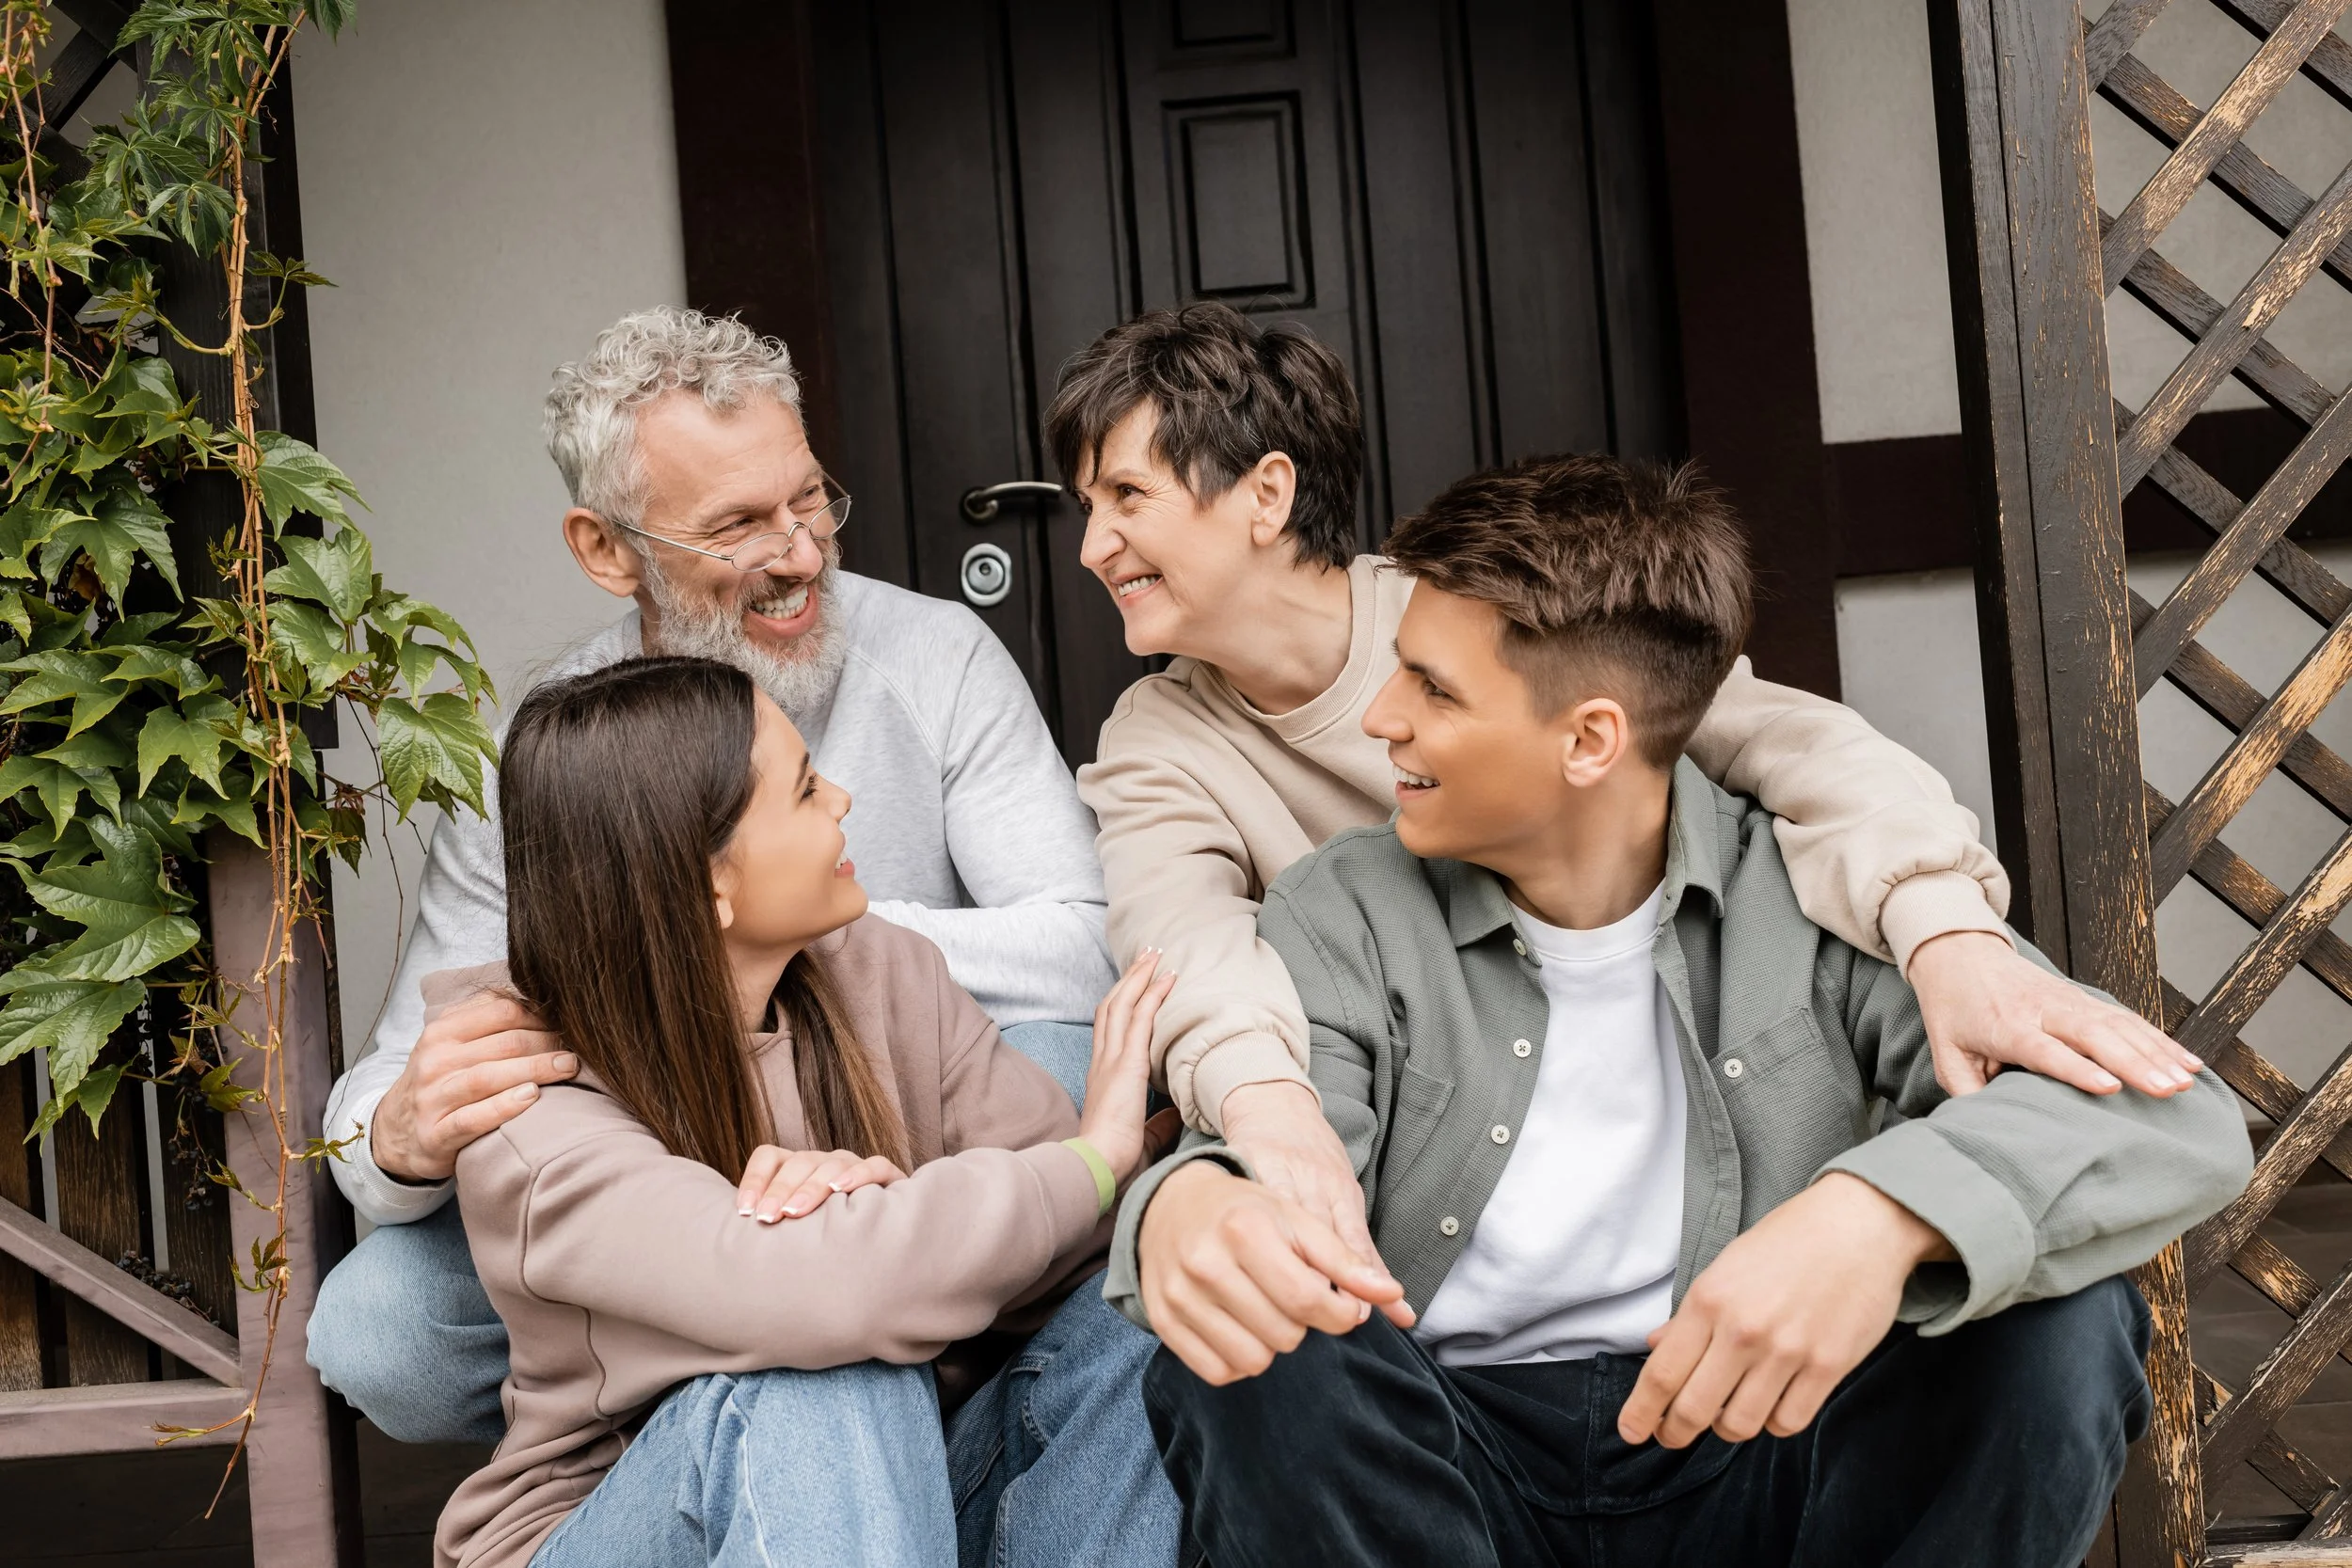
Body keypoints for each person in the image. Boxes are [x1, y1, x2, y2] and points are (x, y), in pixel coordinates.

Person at [1107, 456, 2251, 1568]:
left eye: (1433, 689)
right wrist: (1189, 1203)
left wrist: (1875, 1217)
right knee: (1251, 1348)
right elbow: (1276, 1187)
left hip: (1766, 1439)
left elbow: (2177, 1123)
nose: (1381, 720)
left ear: (1591, 737)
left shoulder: (1821, 895)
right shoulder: (1339, 908)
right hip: (1447, 1467)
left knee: (2060, 1326)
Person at [1048, 301, 2205, 1271]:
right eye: (1086, 509)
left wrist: (1948, 934)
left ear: (1265, 493)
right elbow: (1182, 939)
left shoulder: (1471, 610)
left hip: (1672, 1081)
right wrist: (1268, 1110)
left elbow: (1794, 746)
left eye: (1127, 497)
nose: (1094, 545)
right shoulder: (1158, 740)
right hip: (1427, 1144)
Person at [310, 309, 1119, 1446]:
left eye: (807, 500)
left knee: (1062, 1063)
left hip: (902, 1118)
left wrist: (806, 929)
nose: (798, 554)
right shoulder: (546, 757)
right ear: (605, 549)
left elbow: (1081, 941)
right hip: (652, 1184)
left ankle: (965, 1418)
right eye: (738, 524)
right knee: (380, 1330)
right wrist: (395, 1139)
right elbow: (395, 1082)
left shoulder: (937, 655)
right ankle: (736, 1407)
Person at [432, 656, 1180, 1568]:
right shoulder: (527, 1098)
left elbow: (1063, 1246)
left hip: (897, 1497)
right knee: (819, 1372)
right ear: (707, 881)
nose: (844, 796)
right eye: (803, 787)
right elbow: (825, 1295)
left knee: (1142, 1310)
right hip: (625, 1526)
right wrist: (1097, 1152)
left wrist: (873, 1211)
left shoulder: (880, 969)